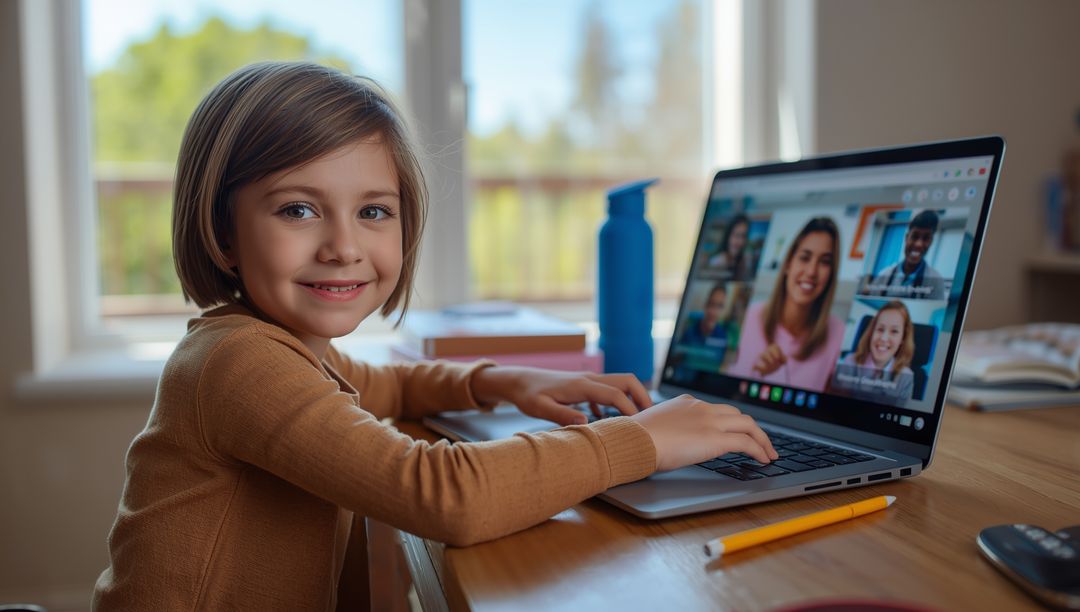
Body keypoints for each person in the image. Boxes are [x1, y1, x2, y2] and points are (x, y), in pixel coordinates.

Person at [91, 62, 778, 610]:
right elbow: (441, 495)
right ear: (222, 232)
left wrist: (502, 381)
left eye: (373, 211)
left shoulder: (283, 349)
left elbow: (386, 384)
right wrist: (643, 440)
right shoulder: (238, 362)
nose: (343, 246)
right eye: (298, 209)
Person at [728, 217, 845, 392]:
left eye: (825, 262)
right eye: (805, 257)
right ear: (789, 264)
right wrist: (756, 374)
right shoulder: (750, 316)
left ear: (831, 274)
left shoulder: (839, 332)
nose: (812, 271)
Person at [831, 301, 916, 403]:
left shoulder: (906, 377)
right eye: (880, 329)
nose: (884, 338)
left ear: (903, 338)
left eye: (894, 331)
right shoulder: (850, 361)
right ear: (872, 332)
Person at [865, 210, 947, 300]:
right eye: (914, 236)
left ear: (931, 242)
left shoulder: (936, 282)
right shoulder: (883, 275)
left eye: (926, 238)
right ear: (906, 238)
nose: (918, 244)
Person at [679, 283, 730, 363]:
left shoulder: (723, 337)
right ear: (706, 305)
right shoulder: (689, 333)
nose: (714, 312)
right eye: (712, 304)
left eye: (720, 306)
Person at [706, 214, 756, 280]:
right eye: (737, 235)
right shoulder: (717, 262)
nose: (741, 242)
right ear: (728, 236)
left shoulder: (745, 261)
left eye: (744, 236)